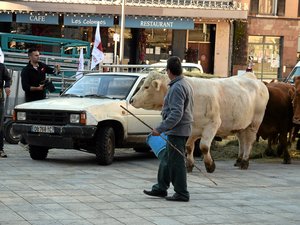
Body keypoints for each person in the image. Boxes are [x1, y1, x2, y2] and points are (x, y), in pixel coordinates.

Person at [143, 56, 194, 202]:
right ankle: (160, 187)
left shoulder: (178, 87)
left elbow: (176, 113)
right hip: (178, 129)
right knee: (167, 158)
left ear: (169, 71)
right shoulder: (184, 83)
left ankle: (182, 193)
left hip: (178, 130)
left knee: (176, 162)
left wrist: (160, 128)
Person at [18, 48, 60, 149]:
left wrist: (57, 69)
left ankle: (36, 142)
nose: (38, 57)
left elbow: (53, 71)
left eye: (38, 55)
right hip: (31, 100)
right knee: (30, 121)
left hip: (42, 98)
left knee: (41, 121)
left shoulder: (42, 66)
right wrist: (37, 88)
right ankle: (23, 141)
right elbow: (25, 87)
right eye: (36, 55)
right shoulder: (26, 70)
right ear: (30, 57)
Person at [0, 63, 11, 158]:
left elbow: (8, 78)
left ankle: (0, 149)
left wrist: (7, 86)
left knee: (0, 125)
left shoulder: (1, 67)